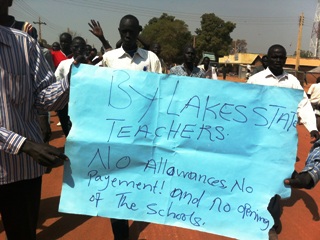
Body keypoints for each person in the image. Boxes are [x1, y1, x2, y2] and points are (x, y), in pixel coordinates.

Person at [92, 14, 161, 240]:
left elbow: (161, 94)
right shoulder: (109, 58)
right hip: (116, 136)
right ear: (119, 31)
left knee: (139, 185)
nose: (128, 35)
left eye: (132, 31)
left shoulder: (151, 59)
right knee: (116, 187)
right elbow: (98, 91)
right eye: (124, 31)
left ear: (139, 31)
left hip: (143, 135)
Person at [0, 24, 70, 240]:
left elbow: (44, 98)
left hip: (22, 170)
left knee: (23, 234)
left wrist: (72, 81)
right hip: (27, 152)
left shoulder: (24, 44)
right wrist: (24, 144)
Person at [247, 44, 320, 240]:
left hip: (282, 142)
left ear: (285, 60)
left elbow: (303, 105)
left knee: (276, 179)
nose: (278, 60)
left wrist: (312, 127)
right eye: (274, 57)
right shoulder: (255, 80)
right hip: (258, 139)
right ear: (267, 59)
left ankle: (270, 222)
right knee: (257, 177)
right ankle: (251, 216)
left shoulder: (293, 83)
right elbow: (244, 105)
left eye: (281, 57)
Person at [55, 36, 87, 137]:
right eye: (76, 47)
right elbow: (57, 82)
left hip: (85, 106)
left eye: (82, 47)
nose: (79, 50)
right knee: (69, 134)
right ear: (71, 48)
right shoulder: (64, 64)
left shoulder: (91, 65)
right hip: (66, 106)